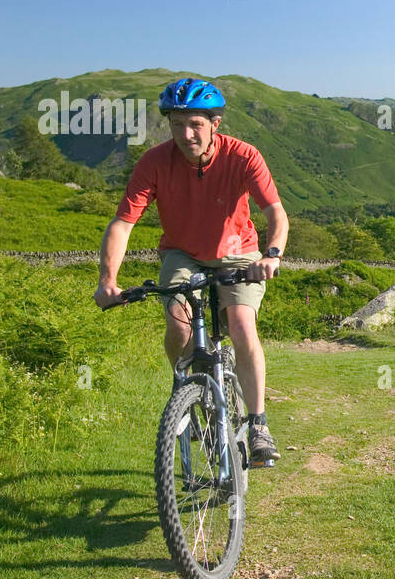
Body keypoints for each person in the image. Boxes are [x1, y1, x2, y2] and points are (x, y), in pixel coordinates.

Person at [93, 78, 290, 466]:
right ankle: (185, 385)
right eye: (177, 124)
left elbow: (275, 212)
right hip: (182, 252)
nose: (186, 134)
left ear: (215, 123)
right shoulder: (154, 162)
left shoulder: (244, 156)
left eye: (196, 124)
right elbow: (122, 223)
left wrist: (272, 254)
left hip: (238, 252)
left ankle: (258, 424)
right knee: (179, 325)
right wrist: (107, 281)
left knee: (241, 325)